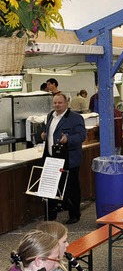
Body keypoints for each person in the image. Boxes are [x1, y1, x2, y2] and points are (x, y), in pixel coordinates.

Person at [41, 93, 86, 224]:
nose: (57, 105)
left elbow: (81, 136)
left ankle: (74, 215)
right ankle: (51, 215)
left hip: (69, 159)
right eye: (55, 103)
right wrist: (44, 135)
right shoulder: (50, 116)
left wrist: (68, 139)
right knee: (51, 187)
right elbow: (50, 133)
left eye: (60, 103)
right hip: (51, 158)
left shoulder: (76, 118)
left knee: (71, 188)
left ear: (66, 103)